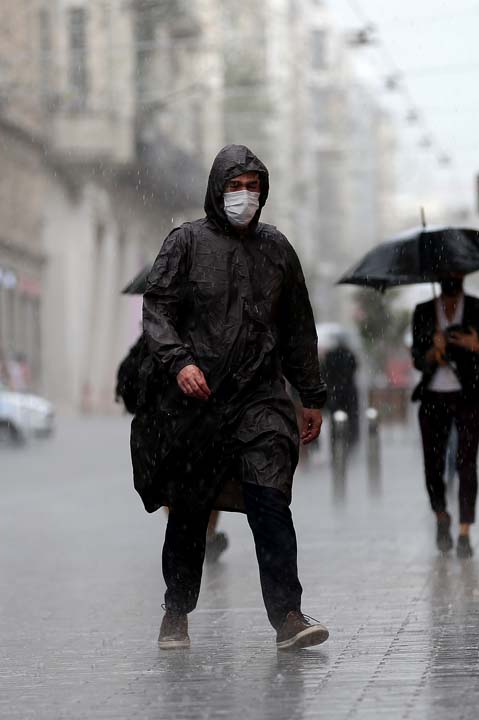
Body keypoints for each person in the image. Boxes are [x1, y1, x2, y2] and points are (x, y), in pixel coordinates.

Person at [131, 145, 329, 651]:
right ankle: (176, 610)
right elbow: (158, 312)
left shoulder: (278, 250)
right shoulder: (186, 242)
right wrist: (181, 362)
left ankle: (287, 615)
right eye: (234, 186)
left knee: (271, 501)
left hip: (259, 398)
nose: (244, 196)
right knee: (189, 512)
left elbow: (298, 329)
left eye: (252, 186)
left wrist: (311, 394)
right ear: (217, 191)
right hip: (197, 404)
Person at [410, 276, 479, 559]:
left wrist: (476, 345)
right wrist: (434, 351)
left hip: (469, 395)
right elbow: (418, 359)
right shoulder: (423, 310)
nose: (450, 298)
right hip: (433, 395)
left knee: (467, 462)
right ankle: (441, 515)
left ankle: (465, 531)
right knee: (433, 463)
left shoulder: (478, 308)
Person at [116, 334, 229, 563]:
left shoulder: (149, 341)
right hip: (189, 426)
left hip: (161, 431)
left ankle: (188, 532)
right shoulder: (199, 337)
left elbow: (128, 384)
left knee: (173, 490)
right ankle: (204, 533)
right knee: (208, 485)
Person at [321, 338, 359, 448]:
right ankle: (349, 442)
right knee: (350, 419)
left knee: (335, 421)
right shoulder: (349, 355)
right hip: (348, 394)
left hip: (334, 393)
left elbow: (325, 374)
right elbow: (354, 369)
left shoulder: (329, 356)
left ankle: (336, 443)